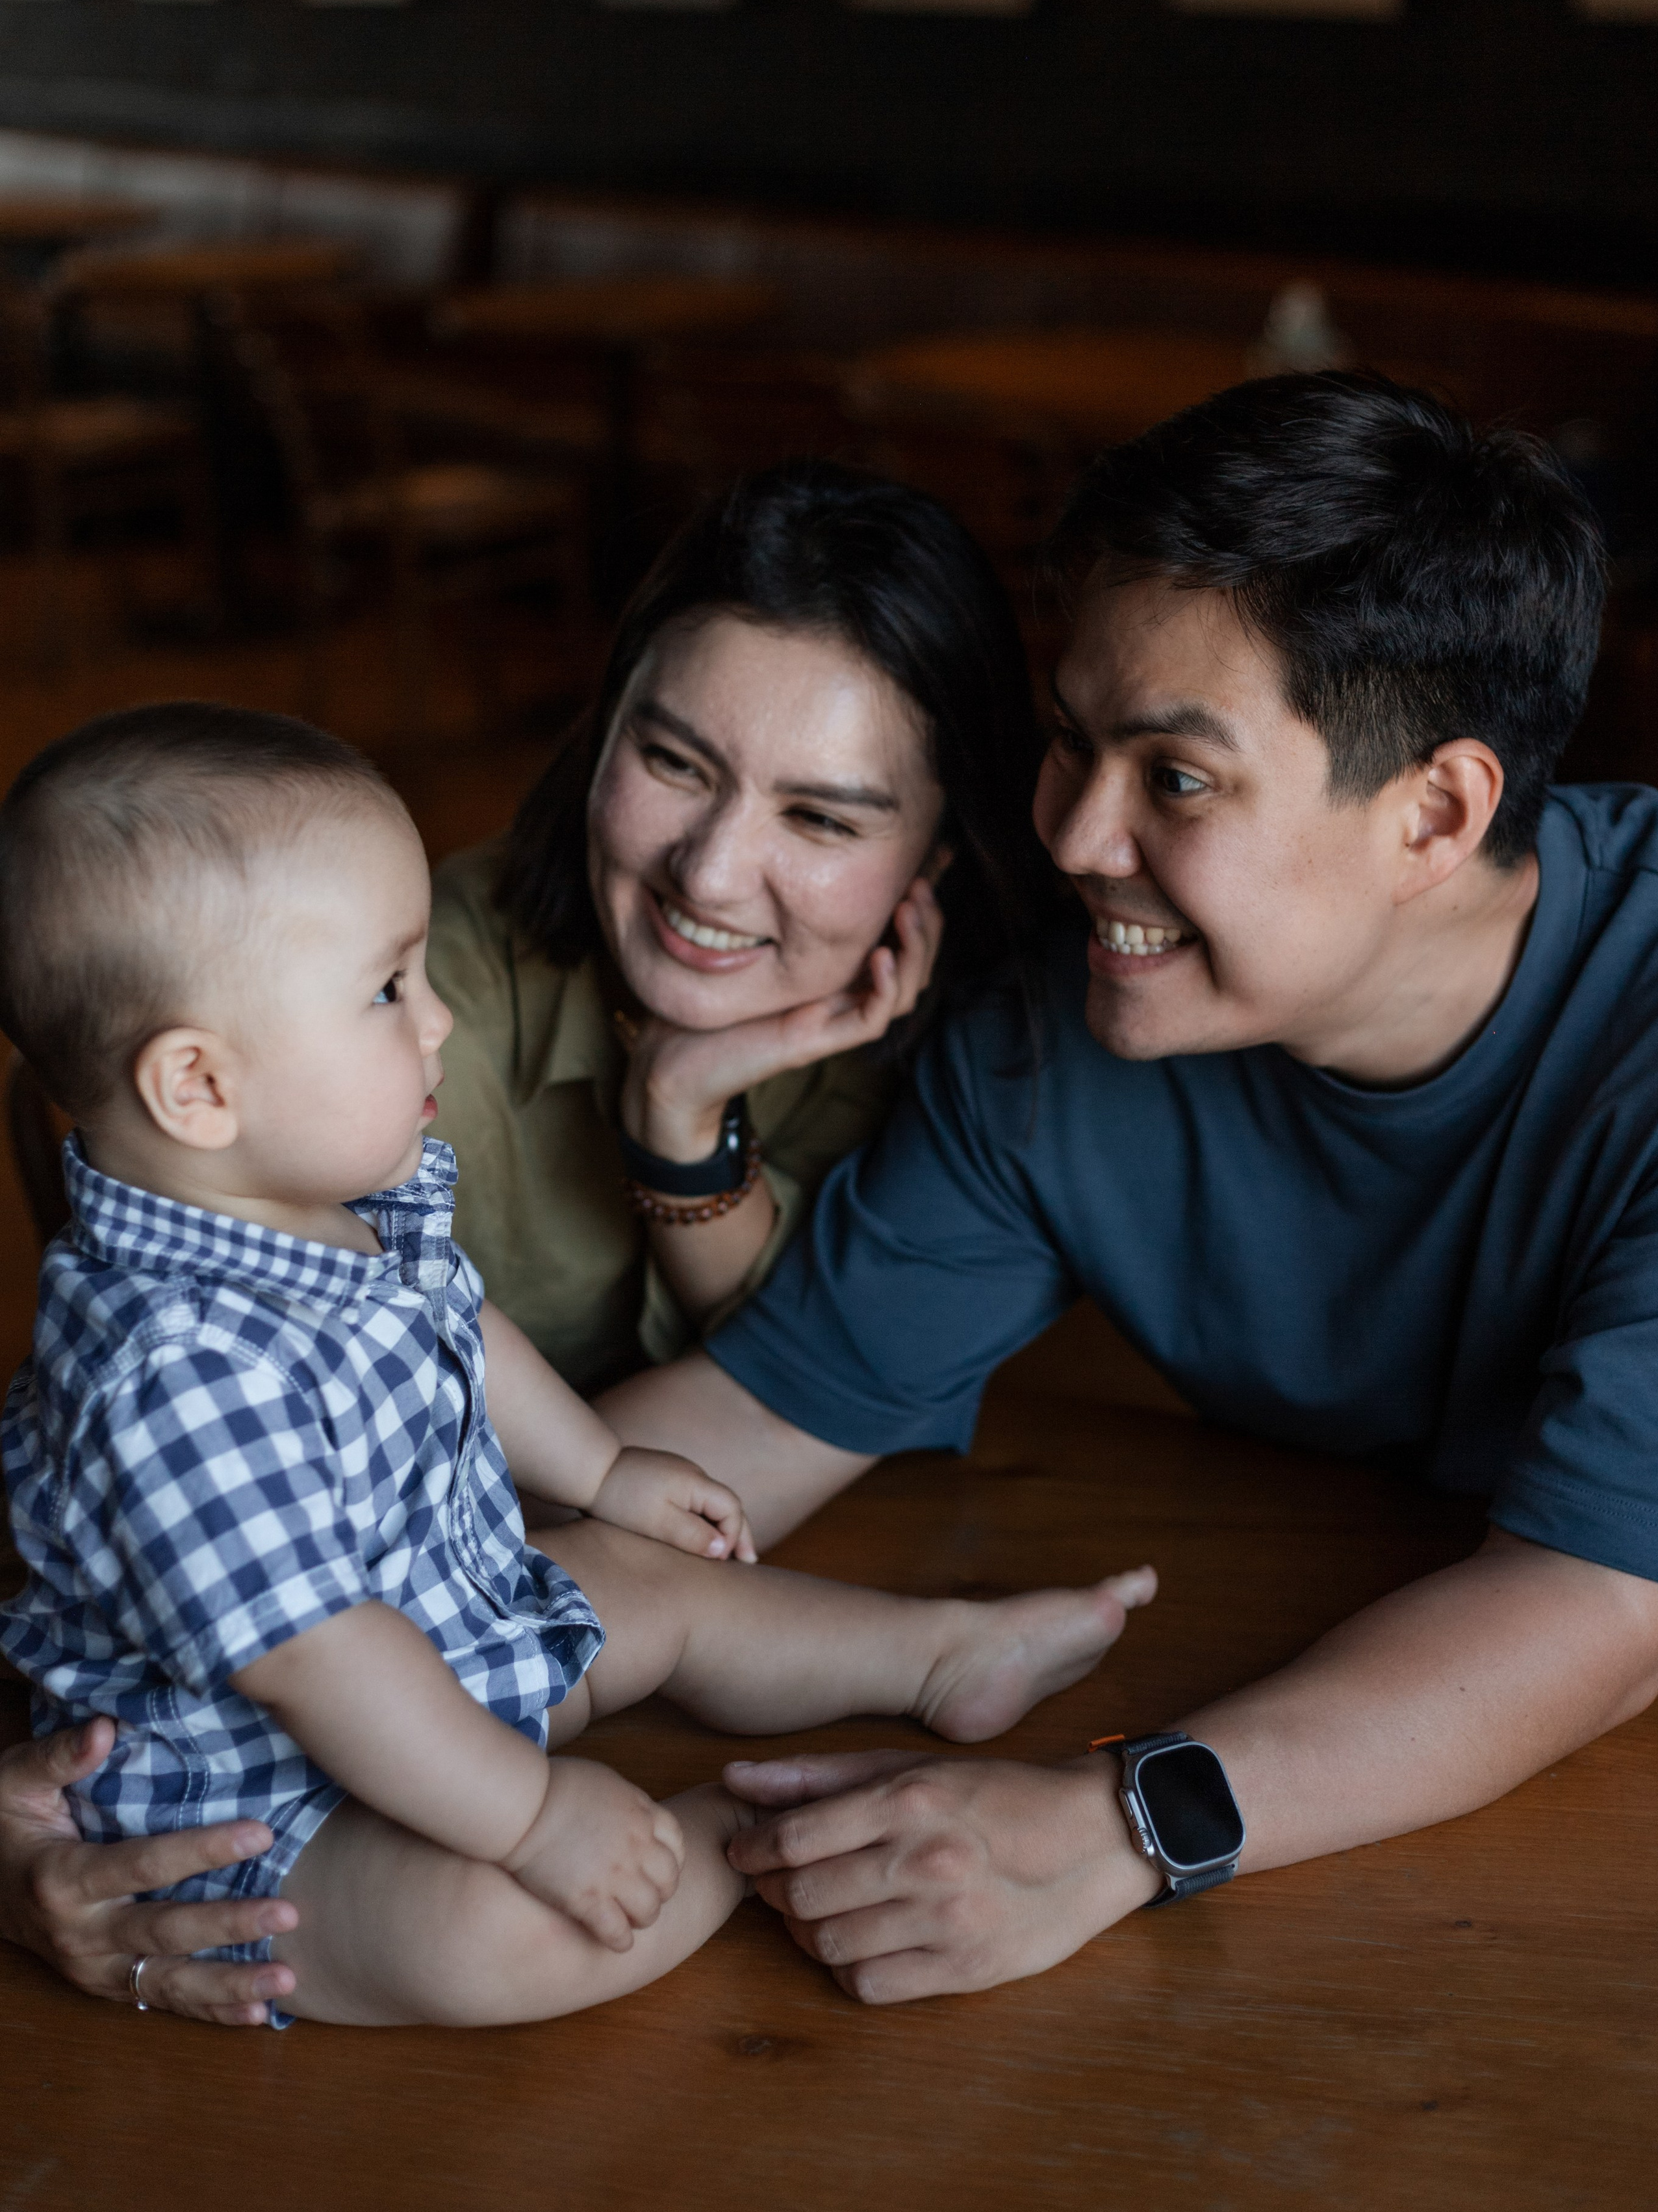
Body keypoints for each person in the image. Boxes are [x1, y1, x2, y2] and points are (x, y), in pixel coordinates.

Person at [21, 368, 1658, 2019]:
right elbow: (750, 1422)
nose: (1072, 839)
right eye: (1070, 742)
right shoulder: (1055, 1035)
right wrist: (64, 1776)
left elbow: (1602, 1601)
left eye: (1172, 777)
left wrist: (1114, 1823)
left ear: (1433, 813)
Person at [0, 704, 1150, 2026]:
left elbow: (461, 1329)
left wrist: (601, 1473)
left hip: (439, 1643)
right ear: (200, 1088)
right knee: (481, 1939)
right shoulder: (171, 1375)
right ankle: (752, 1838)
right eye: (386, 991)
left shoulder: (318, 1199)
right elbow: (322, 1663)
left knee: (651, 1581)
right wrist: (536, 1819)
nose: (435, 1019)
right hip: (270, 1793)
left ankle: (940, 1653)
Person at [426, 459, 1051, 1390]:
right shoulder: (420, 1033)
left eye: (820, 819)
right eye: (675, 762)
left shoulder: (976, 1052)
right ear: (605, 729)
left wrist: (679, 1121)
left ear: (936, 860)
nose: (709, 876)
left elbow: (818, 1388)